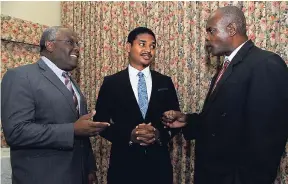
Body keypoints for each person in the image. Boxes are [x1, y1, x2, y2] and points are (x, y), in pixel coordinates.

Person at [162, 6, 288, 184]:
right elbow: (222, 124)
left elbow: (266, 142)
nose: (207, 38)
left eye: (211, 31)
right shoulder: (226, 68)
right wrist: (188, 120)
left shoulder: (265, 64)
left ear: (231, 29)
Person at [1, 26, 110, 184]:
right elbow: (16, 132)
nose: (76, 48)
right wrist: (71, 130)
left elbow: (81, 133)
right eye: (70, 42)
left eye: (77, 43)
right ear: (50, 45)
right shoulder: (20, 76)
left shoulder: (71, 82)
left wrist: (88, 167)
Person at [93, 27, 180, 184]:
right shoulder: (111, 83)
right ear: (128, 47)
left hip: (159, 167)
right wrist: (130, 136)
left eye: (152, 46)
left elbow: (176, 121)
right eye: (142, 44)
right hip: (123, 167)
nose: (148, 50)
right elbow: (100, 122)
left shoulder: (165, 82)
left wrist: (159, 135)